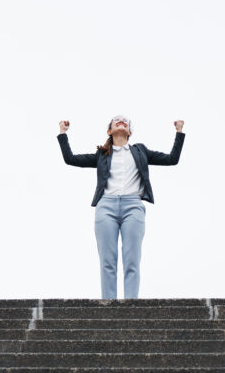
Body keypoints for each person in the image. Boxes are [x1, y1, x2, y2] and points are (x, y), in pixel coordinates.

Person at [58, 116, 185, 299]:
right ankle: (109, 306)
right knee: (107, 261)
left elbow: (172, 159)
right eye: (116, 120)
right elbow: (70, 159)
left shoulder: (140, 151)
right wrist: (63, 133)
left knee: (132, 259)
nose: (122, 121)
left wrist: (179, 131)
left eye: (125, 121)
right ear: (109, 131)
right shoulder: (102, 154)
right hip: (106, 207)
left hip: (133, 205)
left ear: (130, 132)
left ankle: (131, 305)